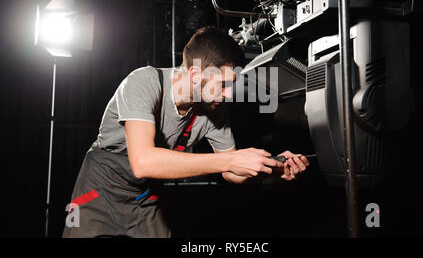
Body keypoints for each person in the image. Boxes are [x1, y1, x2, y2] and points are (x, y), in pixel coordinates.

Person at [63, 26, 310, 238]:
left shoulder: (214, 109)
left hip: (144, 197)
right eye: (223, 84)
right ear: (194, 74)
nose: (228, 94)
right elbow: (143, 162)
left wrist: (269, 169)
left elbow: (230, 172)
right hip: (99, 189)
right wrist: (232, 160)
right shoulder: (143, 82)